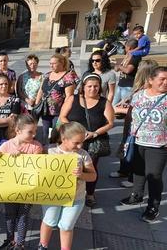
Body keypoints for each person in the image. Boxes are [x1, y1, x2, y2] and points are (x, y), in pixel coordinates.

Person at [119, 66, 167, 223]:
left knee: (154, 175)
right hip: (137, 140)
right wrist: (125, 138)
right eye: (162, 79)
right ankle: (136, 195)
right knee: (138, 170)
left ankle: (153, 207)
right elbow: (130, 117)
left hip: (159, 145)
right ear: (151, 80)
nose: (165, 82)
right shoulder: (139, 95)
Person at [39, 122, 96, 250]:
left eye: (82, 142)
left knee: (66, 226)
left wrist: (81, 175)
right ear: (64, 139)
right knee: (49, 221)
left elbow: (93, 176)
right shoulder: (49, 150)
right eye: (76, 143)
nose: (80, 145)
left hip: (76, 198)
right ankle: (42, 246)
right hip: (52, 196)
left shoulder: (83, 155)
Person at [59, 73, 114, 207]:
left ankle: (89, 194)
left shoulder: (104, 102)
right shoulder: (73, 98)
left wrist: (95, 133)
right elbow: (63, 117)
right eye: (89, 86)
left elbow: (110, 123)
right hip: (72, 140)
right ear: (83, 87)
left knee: (90, 168)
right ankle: (65, 190)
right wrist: (73, 131)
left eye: (96, 86)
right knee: (68, 165)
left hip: (92, 141)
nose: (93, 89)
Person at [0, 114, 43, 250]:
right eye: (30, 132)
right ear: (18, 131)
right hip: (10, 187)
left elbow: (36, 165)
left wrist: (23, 158)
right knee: (10, 215)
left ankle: (20, 243)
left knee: (23, 216)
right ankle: (9, 240)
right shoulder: (6, 146)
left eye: (35, 132)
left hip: (27, 189)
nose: (34, 135)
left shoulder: (36, 147)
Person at [34, 54, 77, 145]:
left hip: (59, 112)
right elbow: (41, 90)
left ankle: (54, 149)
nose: (51, 65)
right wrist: (36, 105)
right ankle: (46, 148)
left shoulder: (68, 77)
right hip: (45, 111)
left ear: (61, 63)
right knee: (46, 132)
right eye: (50, 63)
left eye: (54, 63)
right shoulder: (47, 75)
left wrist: (63, 113)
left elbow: (69, 96)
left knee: (55, 132)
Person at [113, 39, 141, 106]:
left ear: (129, 47)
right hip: (121, 84)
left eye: (125, 47)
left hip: (128, 87)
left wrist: (119, 67)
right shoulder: (128, 56)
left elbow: (128, 70)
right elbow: (121, 67)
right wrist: (118, 67)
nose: (124, 49)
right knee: (113, 106)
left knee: (124, 107)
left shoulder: (135, 57)